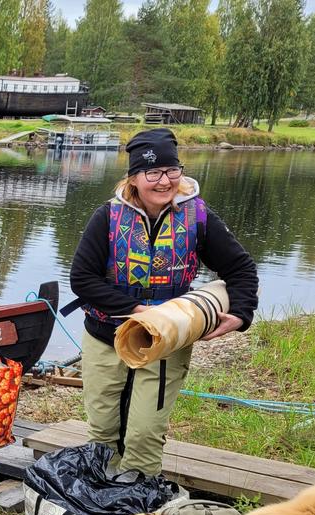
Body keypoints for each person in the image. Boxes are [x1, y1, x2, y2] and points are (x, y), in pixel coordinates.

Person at [68, 128, 258, 476]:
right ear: (134, 178)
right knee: (102, 432)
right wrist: (139, 311)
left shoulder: (198, 217)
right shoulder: (107, 218)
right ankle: (98, 501)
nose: (164, 181)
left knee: (143, 432)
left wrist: (241, 313)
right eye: (152, 173)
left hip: (166, 339)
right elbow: (82, 280)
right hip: (105, 336)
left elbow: (241, 268)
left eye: (172, 170)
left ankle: (138, 509)